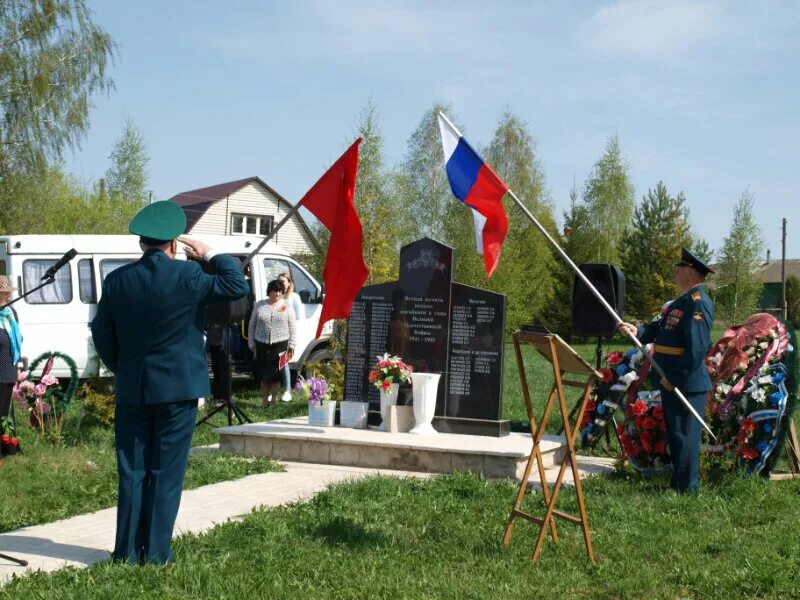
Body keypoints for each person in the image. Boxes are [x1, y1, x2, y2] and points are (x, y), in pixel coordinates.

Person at [90, 200, 249, 565]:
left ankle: (127, 553)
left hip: (133, 388)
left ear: (141, 244)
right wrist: (210, 253)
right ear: (175, 245)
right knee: (165, 471)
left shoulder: (117, 281)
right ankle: (157, 553)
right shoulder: (188, 277)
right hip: (178, 390)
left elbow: (101, 333)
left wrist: (122, 367)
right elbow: (235, 284)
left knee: (132, 471)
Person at [618, 247, 714, 493]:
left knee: (687, 437)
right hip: (669, 377)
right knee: (676, 434)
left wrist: (674, 376)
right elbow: (660, 330)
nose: (676, 272)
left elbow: (697, 349)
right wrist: (636, 331)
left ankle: (688, 489)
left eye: (680, 268)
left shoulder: (697, 304)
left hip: (686, 381)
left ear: (691, 274)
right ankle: (678, 483)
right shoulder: (679, 303)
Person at [248, 279, 296, 406]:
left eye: (280, 291)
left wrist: (292, 345)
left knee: (277, 375)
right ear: (269, 291)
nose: (277, 294)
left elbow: (293, 327)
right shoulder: (260, 305)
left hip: (281, 344)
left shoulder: (287, 306)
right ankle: (264, 401)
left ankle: (274, 400)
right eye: (275, 291)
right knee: (263, 375)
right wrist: (251, 341)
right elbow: (252, 324)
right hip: (261, 343)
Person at [277, 271, 303, 402]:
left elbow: (298, 317)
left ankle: (287, 389)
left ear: (289, 283)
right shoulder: (276, 296)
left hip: (287, 333)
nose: (280, 284)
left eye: (283, 282)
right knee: (276, 363)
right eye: (278, 281)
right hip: (276, 333)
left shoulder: (294, 297)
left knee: (284, 362)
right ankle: (277, 389)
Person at [0, 276, 22, 420]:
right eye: (3, 293)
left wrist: (18, 366)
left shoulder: (11, 313)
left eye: (8, 293)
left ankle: (4, 441)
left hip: (8, 368)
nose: (7, 296)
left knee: (4, 414)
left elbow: (17, 341)